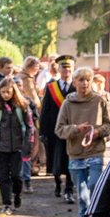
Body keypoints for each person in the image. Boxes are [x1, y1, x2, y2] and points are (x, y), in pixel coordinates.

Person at [55, 67, 110, 217]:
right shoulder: (68, 103)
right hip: (76, 154)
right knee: (81, 194)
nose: (85, 83)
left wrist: (98, 132)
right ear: (74, 82)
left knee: (95, 186)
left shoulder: (99, 101)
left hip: (95, 151)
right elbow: (59, 129)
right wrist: (75, 129)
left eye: (88, 80)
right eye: (81, 80)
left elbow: (109, 125)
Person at [0, 77, 34, 215]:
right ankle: (6, 203)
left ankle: (17, 194)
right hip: (1, 148)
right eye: (3, 92)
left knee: (17, 176)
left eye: (8, 92)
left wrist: (27, 147)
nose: (6, 95)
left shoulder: (23, 107)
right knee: (3, 177)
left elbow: (29, 128)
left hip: (18, 148)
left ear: (14, 91)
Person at [40, 54, 76, 203]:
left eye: (69, 69)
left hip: (72, 130)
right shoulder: (51, 87)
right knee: (55, 159)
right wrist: (42, 131)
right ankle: (57, 183)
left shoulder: (76, 87)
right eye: (63, 68)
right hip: (55, 129)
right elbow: (45, 110)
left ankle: (69, 189)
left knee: (70, 159)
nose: (66, 71)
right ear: (59, 69)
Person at [18, 56, 42, 191]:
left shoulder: (24, 77)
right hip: (29, 118)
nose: (38, 69)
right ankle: (30, 170)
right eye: (36, 66)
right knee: (31, 146)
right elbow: (34, 99)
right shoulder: (26, 79)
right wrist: (39, 107)